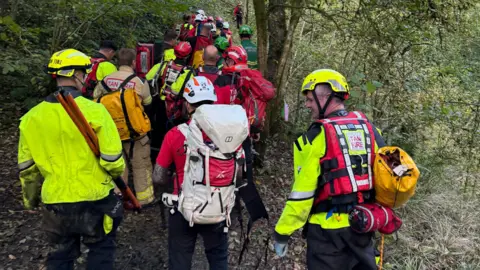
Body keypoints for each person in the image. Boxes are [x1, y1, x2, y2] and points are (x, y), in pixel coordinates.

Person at [18, 49, 125, 269]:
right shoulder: (96, 112)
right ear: (77, 74)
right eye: (84, 72)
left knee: (60, 256)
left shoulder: (30, 119)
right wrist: (116, 181)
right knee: (101, 250)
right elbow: (112, 160)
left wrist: (30, 200)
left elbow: (27, 170)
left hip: (56, 203)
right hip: (94, 199)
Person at [273, 69, 385, 270]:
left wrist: (282, 232)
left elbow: (302, 194)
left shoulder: (317, 136)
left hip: (327, 235)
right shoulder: (370, 129)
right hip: (363, 226)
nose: (307, 104)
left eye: (309, 99)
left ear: (325, 96)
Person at [152, 76, 231, 270]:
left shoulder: (175, 134)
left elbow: (158, 177)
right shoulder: (229, 135)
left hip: (182, 206)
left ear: (188, 105)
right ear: (213, 102)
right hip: (218, 206)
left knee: (180, 259)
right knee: (218, 257)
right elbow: (236, 175)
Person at [93, 48, 155, 207]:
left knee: (118, 166)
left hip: (111, 132)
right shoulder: (139, 82)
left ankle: (118, 197)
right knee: (141, 165)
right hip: (136, 133)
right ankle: (144, 199)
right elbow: (148, 103)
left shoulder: (105, 81)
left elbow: (95, 100)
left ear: (117, 62)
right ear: (134, 62)